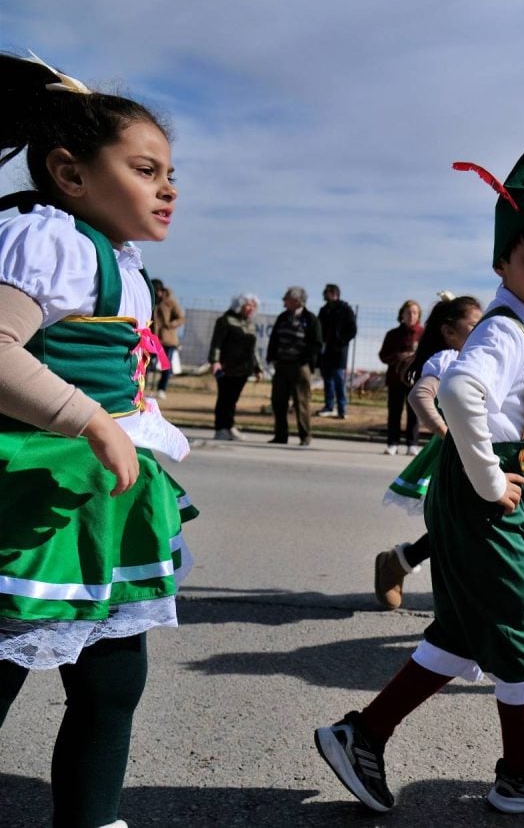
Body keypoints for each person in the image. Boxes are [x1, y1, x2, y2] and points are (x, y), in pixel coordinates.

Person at [315, 149, 524, 814]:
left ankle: (363, 732)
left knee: (464, 631)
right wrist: (492, 479)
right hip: (481, 497)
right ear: (503, 264)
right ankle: (522, 771)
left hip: (477, 491)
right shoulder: (504, 331)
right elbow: (465, 392)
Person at [0, 51, 197, 828]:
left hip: (95, 500)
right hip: (37, 497)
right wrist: (86, 418)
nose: (169, 188)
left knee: (113, 679)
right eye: (146, 169)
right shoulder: (47, 239)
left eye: (171, 172)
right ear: (70, 174)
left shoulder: (116, 260)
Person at [375, 292, 483, 610]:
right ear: (449, 333)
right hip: (456, 455)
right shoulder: (449, 359)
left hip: (481, 452)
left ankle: (401, 561)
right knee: (463, 525)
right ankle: (404, 565)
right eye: (474, 325)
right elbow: (419, 398)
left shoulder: (480, 360)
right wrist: (446, 433)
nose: (483, 332)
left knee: (464, 525)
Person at [266, 285, 322, 446]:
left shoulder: (310, 319)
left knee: (301, 401)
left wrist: (304, 360)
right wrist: (272, 358)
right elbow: (274, 339)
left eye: (287, 299)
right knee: (278, 401)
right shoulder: (283, 317)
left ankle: (305, 436)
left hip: (299, 367)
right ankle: (280, 435)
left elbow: (317, 344)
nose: (284, 302)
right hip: (281, 365)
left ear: (297, 301)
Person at [209, 292, 264, 440]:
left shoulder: (250, 324)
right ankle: (220, 428)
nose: (251, 308)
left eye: (253, 305)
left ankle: (230, 426)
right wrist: (215, 361)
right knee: (224, 398)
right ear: (239, 305)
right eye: (248, 305)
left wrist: (258, 368)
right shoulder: (225, 320)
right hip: (226, 367)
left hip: (244, 368)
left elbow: (253, 349)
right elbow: (217, 343)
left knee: (233, 399)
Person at [379, 300, 423, 456]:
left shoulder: (423, 333)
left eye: (414, 312)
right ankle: (392, 443)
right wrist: (399, 356)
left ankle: (412, 444)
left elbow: (429, 355)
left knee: (414, 412)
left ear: (419, 315)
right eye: (408, 312)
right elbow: (383, 356)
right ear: (402, 314)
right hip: (396, 379)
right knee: (394, 412)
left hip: (415, 380)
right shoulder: (392, 334)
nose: (411, 315)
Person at [317, 282, 358, 419]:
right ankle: (329, 406)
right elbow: (318, 330)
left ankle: (342, 409)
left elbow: (352, 329)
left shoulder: (345, 309)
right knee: (327, 380)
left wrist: (341, 342)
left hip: (339, 353)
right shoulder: (324, 311)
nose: (325, 295)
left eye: (327, 292)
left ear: (334, 294)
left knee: (339, 380)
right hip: (325, 351)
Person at [148, 278, 184, 398]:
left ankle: (161, 389)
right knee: (146, 363)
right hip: (154, 340)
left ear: (161, 290)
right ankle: (141, 387)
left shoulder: (170, 302)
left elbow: (181, 318)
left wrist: (171, 325)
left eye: (156, 290)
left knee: (165, 365)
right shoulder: (152, 302)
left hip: (168, 340)